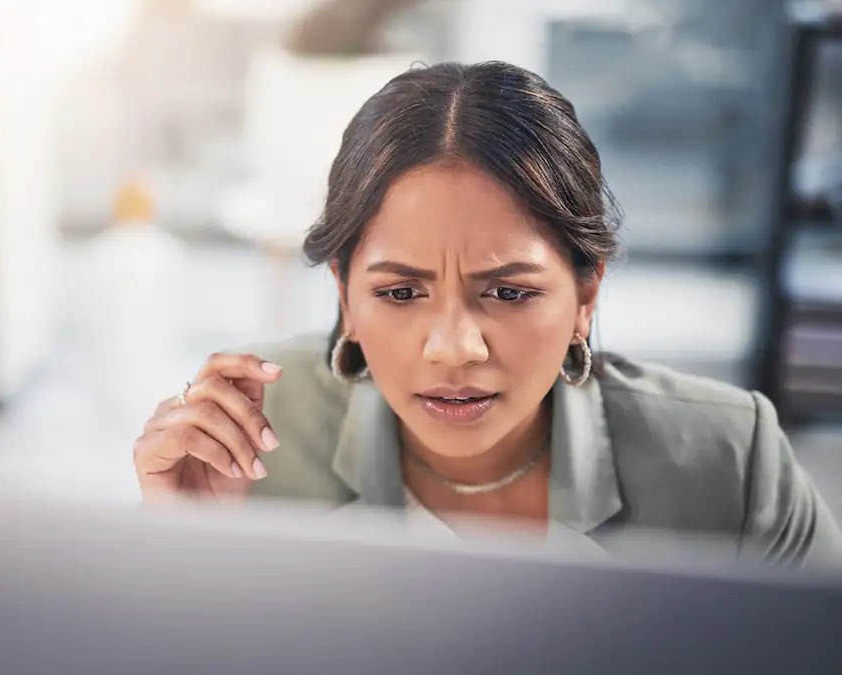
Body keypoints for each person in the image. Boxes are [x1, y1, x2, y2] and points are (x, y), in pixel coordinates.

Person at [132, 61, 842, 566]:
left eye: (507, 292)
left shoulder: (727, 463)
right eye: (401, 293)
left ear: (585, 293)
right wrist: (177, 548)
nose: (453, 347)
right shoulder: (250, 440)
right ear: (345, 295)